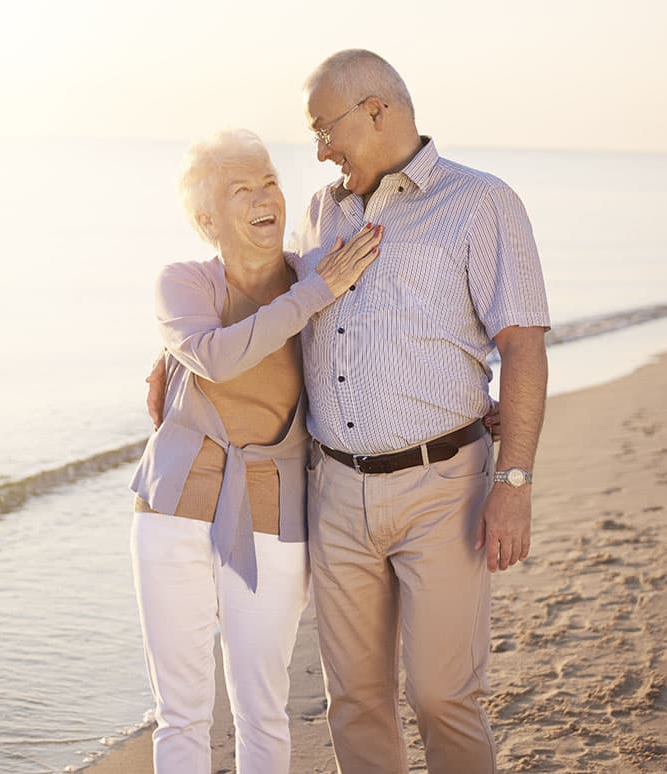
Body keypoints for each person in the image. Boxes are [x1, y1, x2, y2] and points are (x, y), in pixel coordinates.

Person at [147, 49, 547, 772]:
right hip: (331, 491)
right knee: (355, 702)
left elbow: (522, 345)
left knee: (440, 694)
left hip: (442, 487)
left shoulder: (481, 203)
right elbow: (275, 305)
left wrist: (513, 482)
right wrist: (179, 355)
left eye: (325, 130)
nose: (321, 151)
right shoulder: (320, 213)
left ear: (377, 112)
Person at [128, 128, 382, 774]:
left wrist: (479, 403)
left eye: (269, 180)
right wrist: (314, 296)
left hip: (275, 515)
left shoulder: (316, 277)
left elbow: (387, 351)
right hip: (172, 510)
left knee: (261, 712)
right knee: (180, 714)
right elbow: (216, 358)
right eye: (241, 188)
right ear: (207, 218)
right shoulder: (183, 284)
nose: (265, 196)